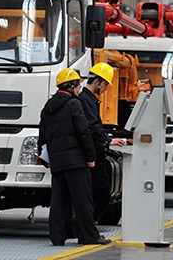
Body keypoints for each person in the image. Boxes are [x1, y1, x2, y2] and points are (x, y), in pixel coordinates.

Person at [38, 68, 111, 246]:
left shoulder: (47, 107)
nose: (80, 89)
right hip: (76, 161)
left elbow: (42, 136)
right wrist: (90, 157)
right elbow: (84, 132)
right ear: (70, 86)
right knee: (82, 200)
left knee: (58, 201)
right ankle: (89, 236)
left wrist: (44, 157)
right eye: (78, 86)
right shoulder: (74, 104)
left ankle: (57, 237)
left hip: (57, 161)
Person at [78, 62, 126, 222]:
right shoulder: (85, 100)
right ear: (97, 81)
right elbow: (92, 126)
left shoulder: (90, 99)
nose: (106, 88)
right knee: (101, 195)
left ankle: (87, 227)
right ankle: (85, 227)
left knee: (99, 194)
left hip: (96, 151)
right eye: (105, 84)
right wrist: (109, 140)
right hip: (92, 154)